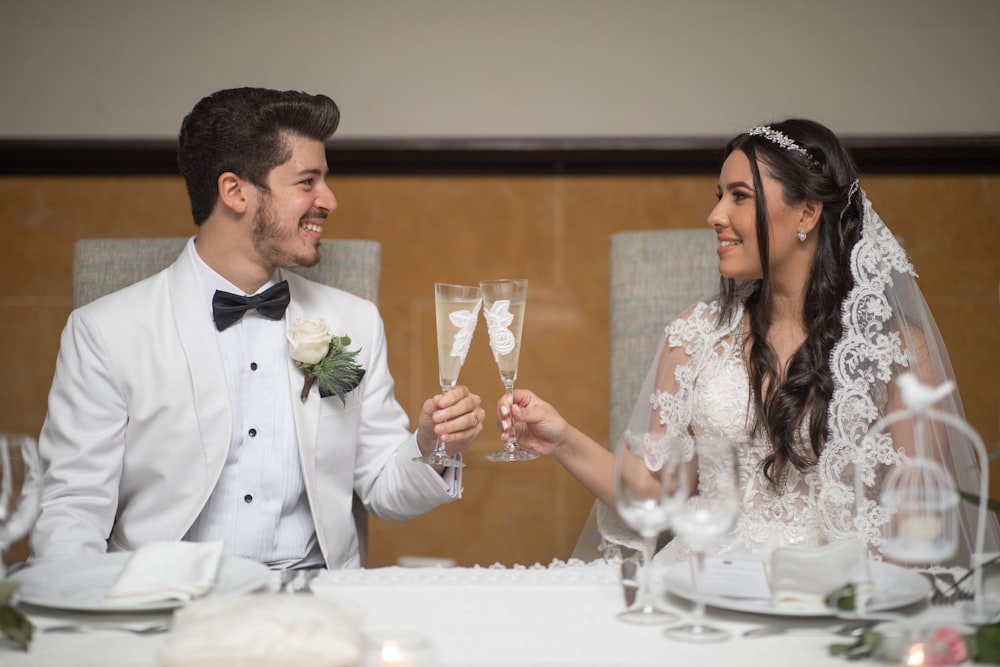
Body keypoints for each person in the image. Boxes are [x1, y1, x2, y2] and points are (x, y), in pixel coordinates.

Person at [498, 118, 1000, 567]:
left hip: (834, 600)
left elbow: (913, 519)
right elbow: (653, 493)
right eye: (719, 195)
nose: (716, 215)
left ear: (806, 213)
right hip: (702, 587)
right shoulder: (694, 335)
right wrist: (560, 438)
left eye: (739, 196)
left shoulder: (892, 350)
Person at [31, 87, 485, 569]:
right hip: (164, 603)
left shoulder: (354, 322)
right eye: (307, 182)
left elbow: (384, 490)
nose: (328, 200)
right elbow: (72, 509)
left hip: (318, 603)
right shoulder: (105, 332)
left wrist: (432, 447)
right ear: (235, 191)